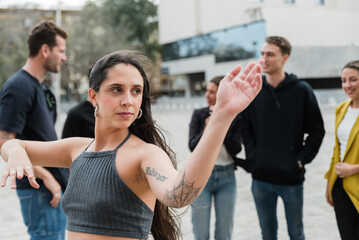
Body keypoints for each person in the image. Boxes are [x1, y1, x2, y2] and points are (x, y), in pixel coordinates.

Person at [0, 50, 264, 240]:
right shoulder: (76, 149)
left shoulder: (145, 155)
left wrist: (221, 116)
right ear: (94, 96)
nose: (128, 100)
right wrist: (16, 153)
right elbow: (11, 145)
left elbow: (179, 195)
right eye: (117, 89)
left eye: (136, 91)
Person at [241, 36, 325, 240]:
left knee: (296, 234)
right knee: (267, 234)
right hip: (260, 178)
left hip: (291, 179)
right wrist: (254, 157)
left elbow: (317, 130)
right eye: (262, 54)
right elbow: (246, 128)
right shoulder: (254, 88)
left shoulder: (302, 90)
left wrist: (300, 160)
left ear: (285, 58)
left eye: (270, 54)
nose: (263, 59)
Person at [0, 20, 68, 240]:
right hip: (36, 187)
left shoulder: (42, 87)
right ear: (45, 50)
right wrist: (46, 176)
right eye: (62, 51)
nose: (64, 57)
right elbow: (3, 142)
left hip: (53, 186)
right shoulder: (18, 87)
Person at [189, 75, 243, 240]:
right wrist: (208, 127)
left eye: (212, 92)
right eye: (207, 91)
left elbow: (236, 148)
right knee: (201, 234)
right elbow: (192, 146)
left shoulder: (235, 116)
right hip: (200, 178)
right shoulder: (199, 114)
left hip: (227, 177)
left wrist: (222, 122)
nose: (207, 95)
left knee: (224, 234)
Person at [324, 60, 359, 240]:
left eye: (353, 80)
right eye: (343, 80)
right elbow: (337, 149)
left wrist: (353, 169)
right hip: (341, 187)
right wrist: (330, 182)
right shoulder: (341, 109)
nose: (347, 85)